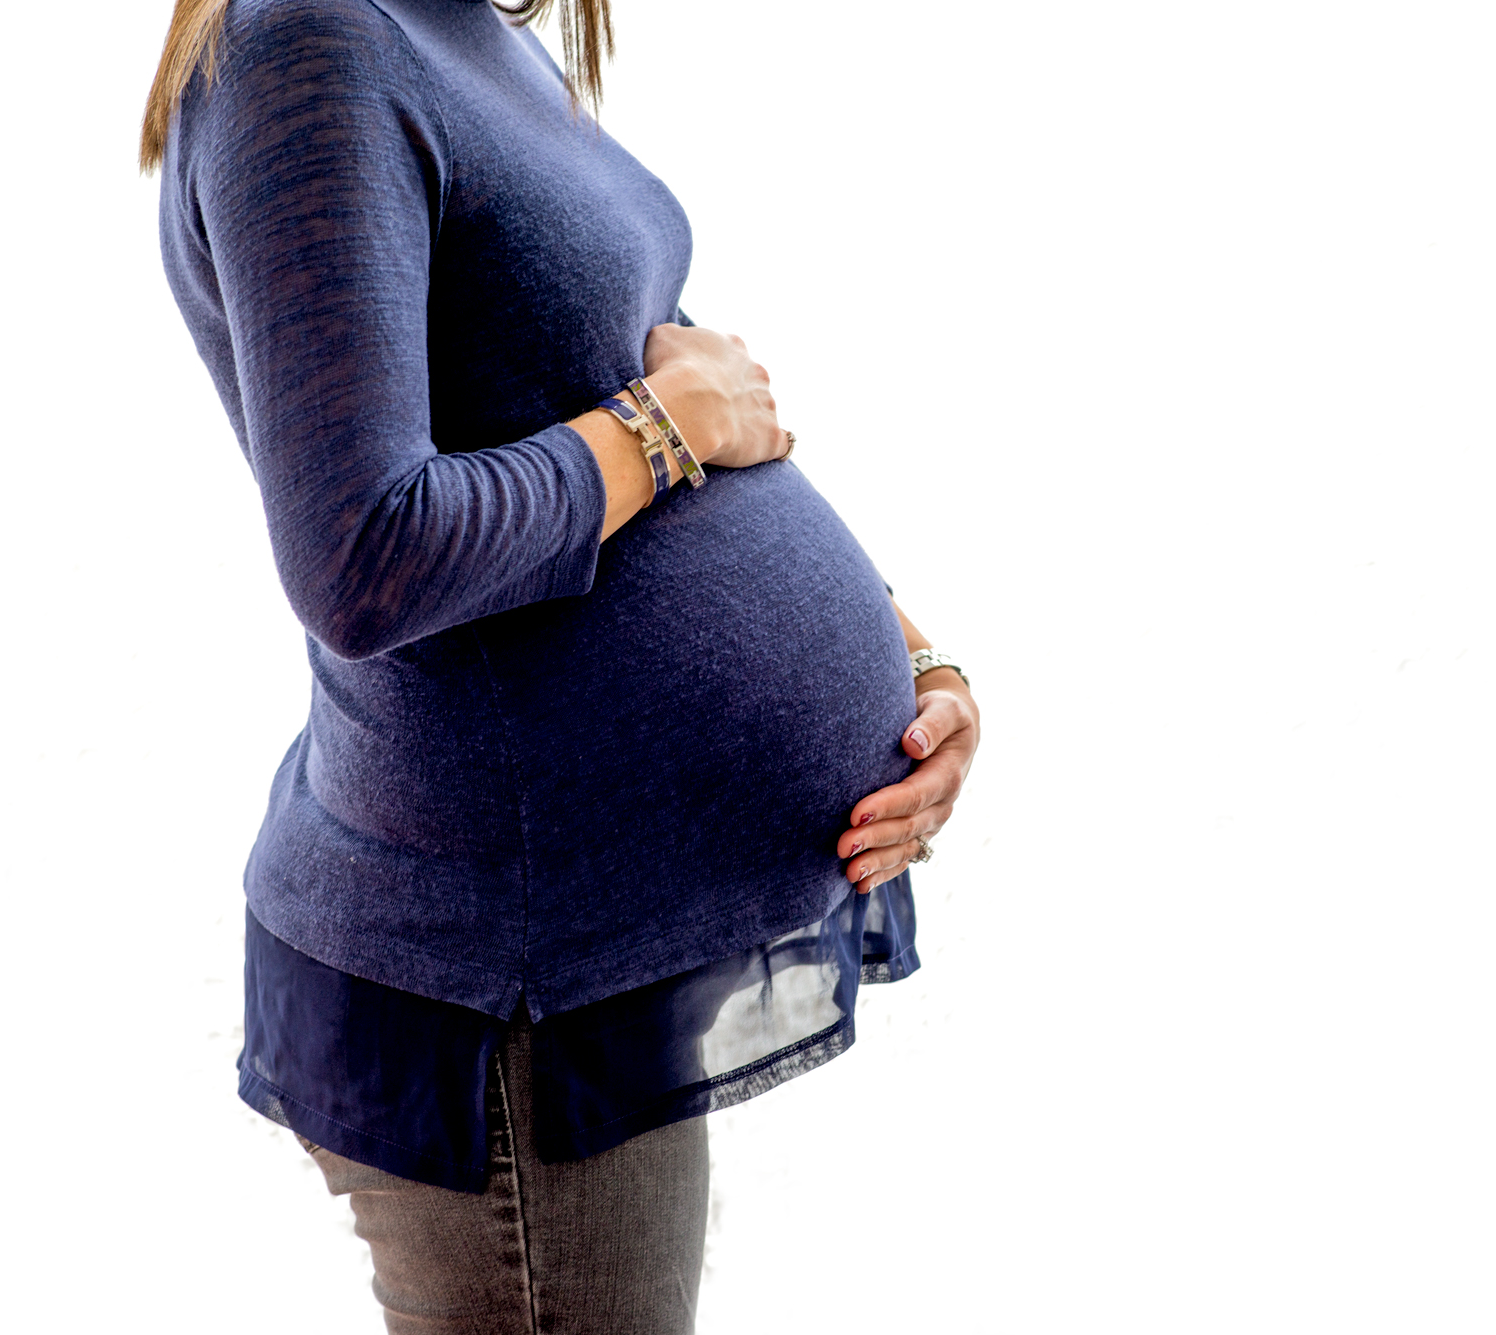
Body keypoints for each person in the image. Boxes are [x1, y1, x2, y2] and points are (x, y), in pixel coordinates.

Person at [141, 0, 981, 1329]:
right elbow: (366, 554)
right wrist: (657, 432)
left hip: (577, 953)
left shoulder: (453, 24)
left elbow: (679, 382)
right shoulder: (308, 45)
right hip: (494, 985)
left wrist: (912, 659)